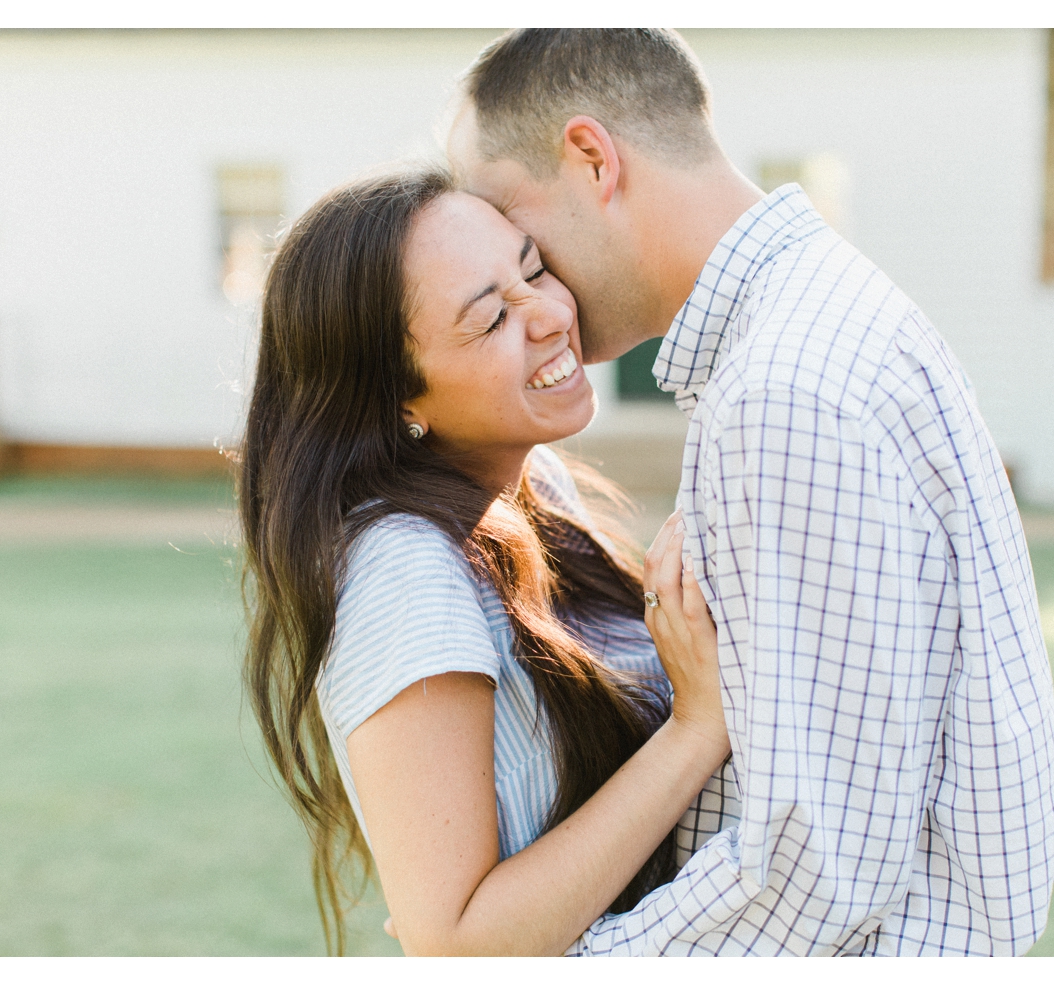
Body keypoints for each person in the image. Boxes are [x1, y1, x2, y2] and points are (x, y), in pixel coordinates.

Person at [448, 28, 1054, 955]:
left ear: (591, 158)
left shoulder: (784, 388)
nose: (534, 291)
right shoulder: (819, 317)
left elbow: (813, 871)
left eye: (521, 235)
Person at [238, 165, 731, 956]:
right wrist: (695, 731)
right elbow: (459, 945)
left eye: (532, 269)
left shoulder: (534, 490)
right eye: (492, 316)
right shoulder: (404, 568)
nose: (548, 314)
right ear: (398, 399)